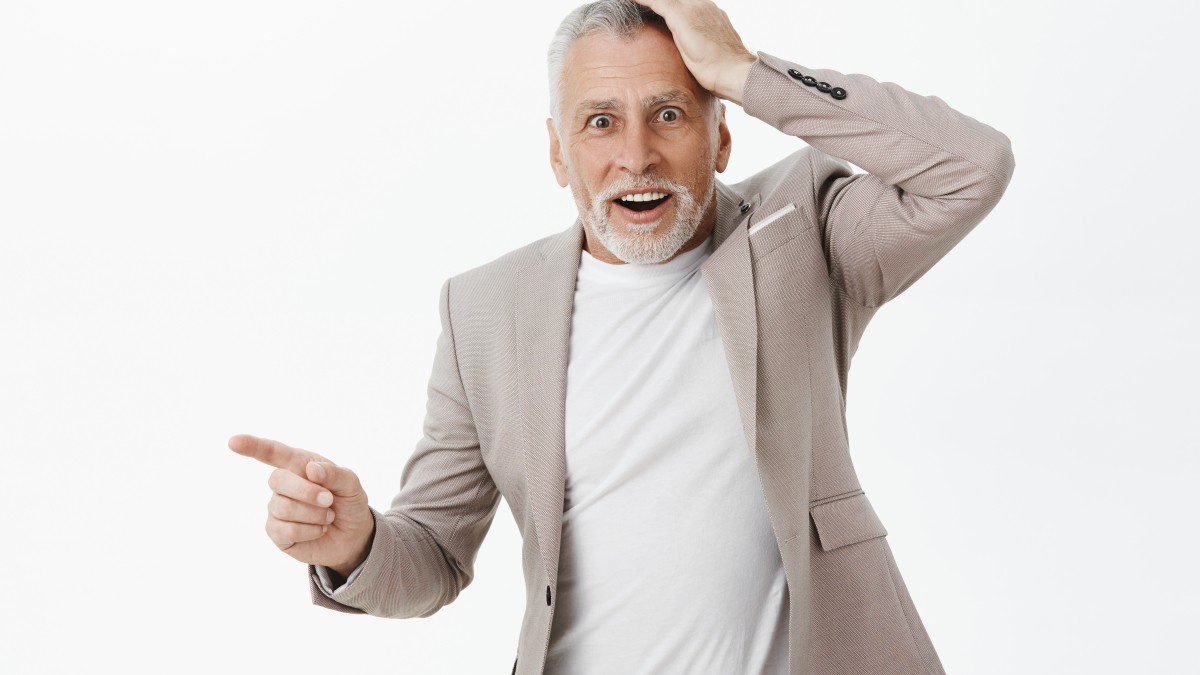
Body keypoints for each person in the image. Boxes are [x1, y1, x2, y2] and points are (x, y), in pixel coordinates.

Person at [229, 0, 1015, 673]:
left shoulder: (801, 228)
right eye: (600, 122)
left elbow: (971, 167)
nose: (636, 156)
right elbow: (433, 554)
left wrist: (744, 72)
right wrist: (356, 543)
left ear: (721, 136)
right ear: (557, 152)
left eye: (669, 114)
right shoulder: (485, 310)